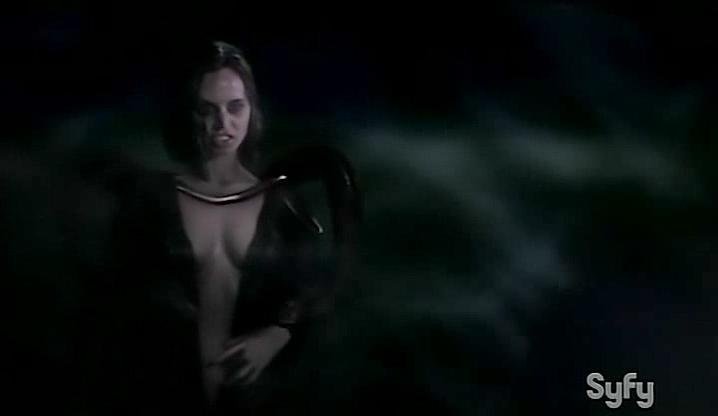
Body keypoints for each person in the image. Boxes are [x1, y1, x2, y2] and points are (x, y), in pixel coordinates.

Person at [92, 40, 358, 415]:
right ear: (188, 113)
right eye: (207, 110)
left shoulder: (281, 204)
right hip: (160, 393)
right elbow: (112, 301)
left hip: (258, 398)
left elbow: (317, 291)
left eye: (235, 107)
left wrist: (277, 334)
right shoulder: (150, 200)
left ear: (252, 110)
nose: (223, 124)